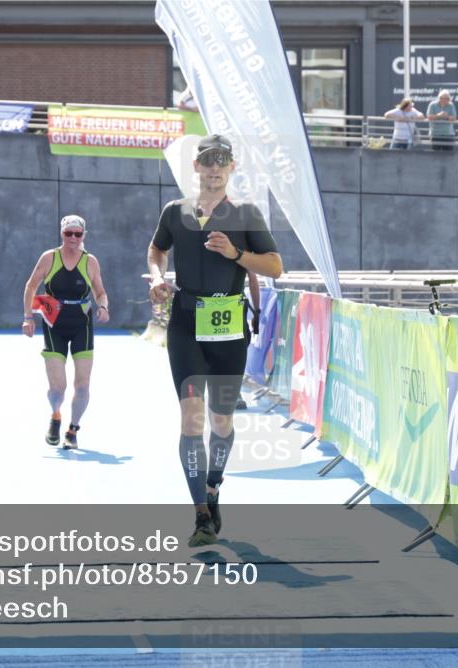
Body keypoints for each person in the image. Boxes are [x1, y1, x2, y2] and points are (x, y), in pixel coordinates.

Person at [147, 134, 283, 547]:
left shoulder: (245, 213)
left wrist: (235, 256)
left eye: (221, 161)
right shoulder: (175, 211)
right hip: (186, 324)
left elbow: (275, 266)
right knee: (191, 418)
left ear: (231, 168)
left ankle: (213, 487)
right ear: (197, 167)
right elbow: (156, 250)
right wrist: (157, 278)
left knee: (221, 421)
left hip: (228, 330)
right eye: (207, 161)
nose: (214, 168)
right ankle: (201, 515)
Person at [22, 215, 110, 449]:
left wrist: (103, 306)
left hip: (82, 323)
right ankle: (56, 414)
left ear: (84, 236)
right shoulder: (49, 257)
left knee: (82, 384)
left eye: (77, 234)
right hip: (54, 323)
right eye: (68, 233)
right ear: (61, 234)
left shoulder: (90, 261)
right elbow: (31, 285)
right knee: (57, 389)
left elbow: (100, 291)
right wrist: (28, 317)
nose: (72, 238)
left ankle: (73, 429)